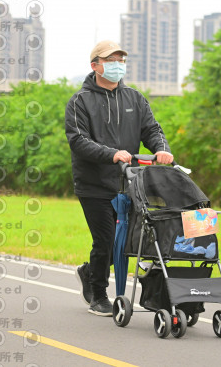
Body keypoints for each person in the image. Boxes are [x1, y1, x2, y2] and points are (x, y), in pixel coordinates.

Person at [64, 40, 174, 316]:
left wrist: (162, 149)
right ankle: (99, 295)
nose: (118, 65)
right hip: (93, 185)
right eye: (111, 60)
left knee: (129, 242)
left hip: (130, 183)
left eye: (121, 60)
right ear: (95, 66)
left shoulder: (135, 98)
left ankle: (89, 271)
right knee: (106, 240)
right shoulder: (80, 101)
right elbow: (78, 141)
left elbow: (152, 130)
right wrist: (111, 154)